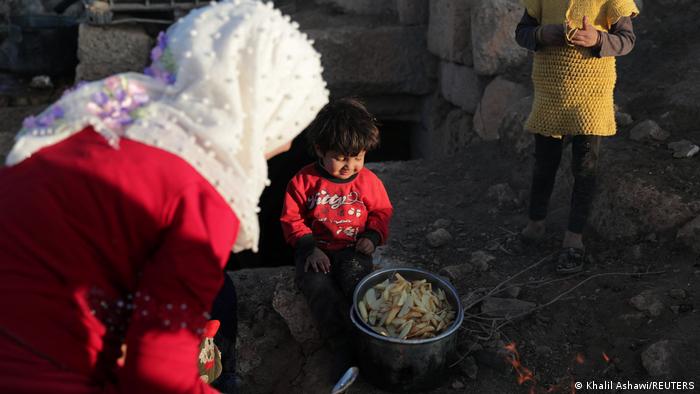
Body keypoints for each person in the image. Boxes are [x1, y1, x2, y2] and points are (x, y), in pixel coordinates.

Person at [0, 1, 329, 393]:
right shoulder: (201, 189)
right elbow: (158, 376)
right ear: (260, 113)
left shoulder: (108, 113)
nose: (289, 140)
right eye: (289, 120)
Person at [515, 0, 639, 273]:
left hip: (591, 98)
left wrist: (597, 38)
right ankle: (535, 224)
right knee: (544, 165)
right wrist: (541, 34)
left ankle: (574, 239)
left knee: (585, 169)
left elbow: (627, 40)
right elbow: (522, 32)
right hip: (550, 95)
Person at [280, 98, 393, 383]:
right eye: (341, 158)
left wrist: (371, 236)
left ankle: (369, 341)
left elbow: (382, 211)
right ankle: (342, 348)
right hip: (315, 251)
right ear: (320, 149)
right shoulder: (303, 182)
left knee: (359, 285)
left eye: (358, 157)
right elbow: (291, 220)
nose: (350, 166)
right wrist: (309, 249)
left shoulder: (368, 182)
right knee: (320, 288)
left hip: (353, 249)